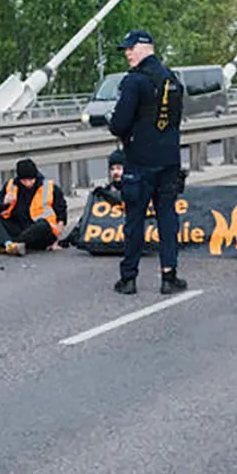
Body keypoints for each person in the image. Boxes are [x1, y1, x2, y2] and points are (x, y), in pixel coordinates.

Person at [108, 29, 188, 295]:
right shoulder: (172, 79)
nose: (128, 54)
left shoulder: (134, 81)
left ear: (145, 48)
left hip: (140, 160)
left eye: (131, 49)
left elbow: (119, 123)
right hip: (168, 160)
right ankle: (169, 276)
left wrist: (119, 127)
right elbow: (175, 120)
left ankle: (128, 278)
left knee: (134, 219)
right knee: (167, 218)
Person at [0, 158, 68, 256]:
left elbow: (61, 214)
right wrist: (3, 202)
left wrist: (56, 239)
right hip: (19, 227)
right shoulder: (11, 186)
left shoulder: (50, 187)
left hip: (40, 231)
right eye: (24, 180)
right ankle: (9, 245)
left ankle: (5, 244)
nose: (28, 183)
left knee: (42, 225)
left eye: (31, 180)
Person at [61, 149, 125, 250]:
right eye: (112, 169)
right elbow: (87, 216)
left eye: (119, 168)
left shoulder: (135, 187)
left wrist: (108, 195)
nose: (115, 172)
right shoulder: (106, 190)